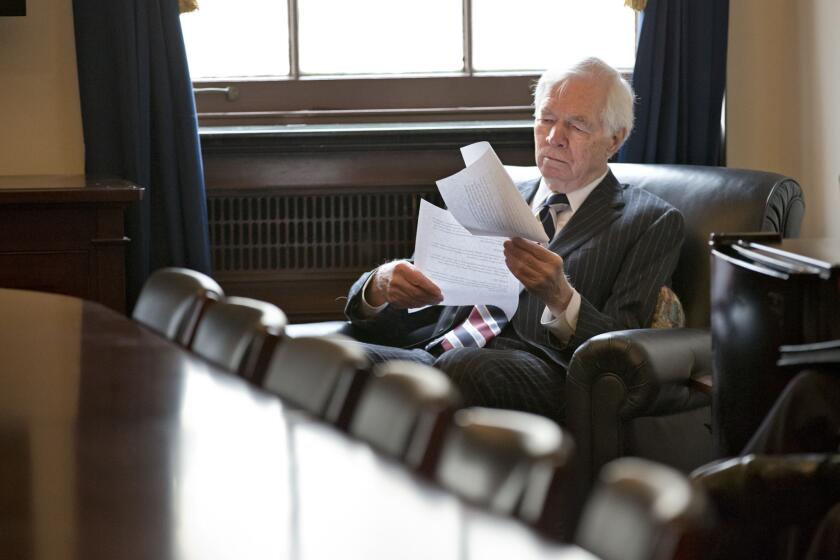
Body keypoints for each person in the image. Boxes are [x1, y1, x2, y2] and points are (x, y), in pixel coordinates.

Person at [344, 57, 685, 424]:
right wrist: (379, 287)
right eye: (547, 119)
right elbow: (415, 300)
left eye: (576, 125)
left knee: (462, 367)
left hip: (548, 374)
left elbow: (622, 351)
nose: (555, 137)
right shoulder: (488, 192)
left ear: (614, 139)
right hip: (437, 354)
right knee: (319, 358)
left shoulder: (650, 221)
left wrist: (561, 298)